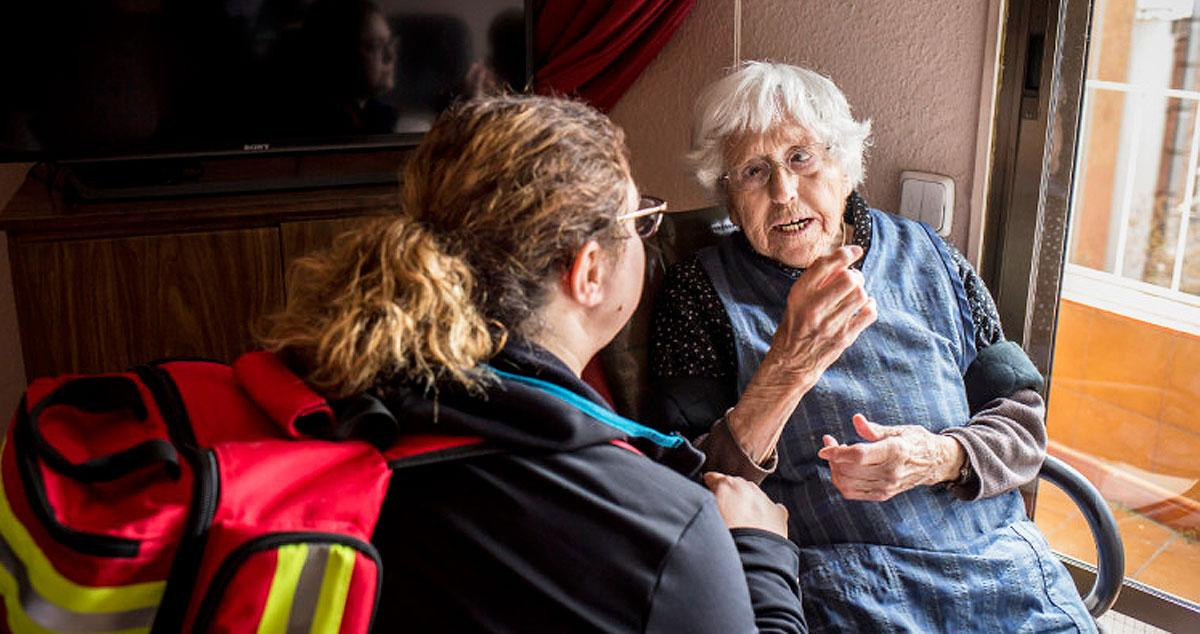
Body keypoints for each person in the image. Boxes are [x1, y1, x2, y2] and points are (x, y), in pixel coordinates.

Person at [260, 94, 807, 632]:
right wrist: (762, 555)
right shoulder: (666, 531)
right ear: (589, 272)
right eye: (641, 219)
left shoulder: (336, 388)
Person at [648, 61, 1095, 632]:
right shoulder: (699, 294)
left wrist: (940, 456)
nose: (784, 193)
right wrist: (787, 367)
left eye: (801, 158)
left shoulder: (931, 256)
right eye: (753, 171)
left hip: (1000, 576)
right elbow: (690, 484)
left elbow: (1024, 430)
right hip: (845, 595)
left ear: (845, 166)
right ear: (728, 196)